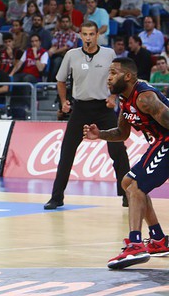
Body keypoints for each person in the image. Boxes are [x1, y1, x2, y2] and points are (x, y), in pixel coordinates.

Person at [83, 57, 169, 270]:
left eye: (113, 73)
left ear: (128, 76)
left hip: (167, 143)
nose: (108, 78)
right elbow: (122, 133)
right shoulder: (125, 99)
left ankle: (136, 243)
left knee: (135, 186)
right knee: (128, 183)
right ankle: (158, 240)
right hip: (160, 143)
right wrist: (99, 134)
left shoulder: (145, 98)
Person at [44, 21, 130, 210]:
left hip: (103, 109)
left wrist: (113, 96)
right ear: (80, 35)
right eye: (85, 34)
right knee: (66, 152)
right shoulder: (71, 55)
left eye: (91, 34)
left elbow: (119, 78)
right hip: (80, 108)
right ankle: (56, 197)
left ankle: (127, 195)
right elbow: (60, 80)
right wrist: (64, 100)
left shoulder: (109, 54)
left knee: (118, 151)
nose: (88, 38)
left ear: (97, 35)